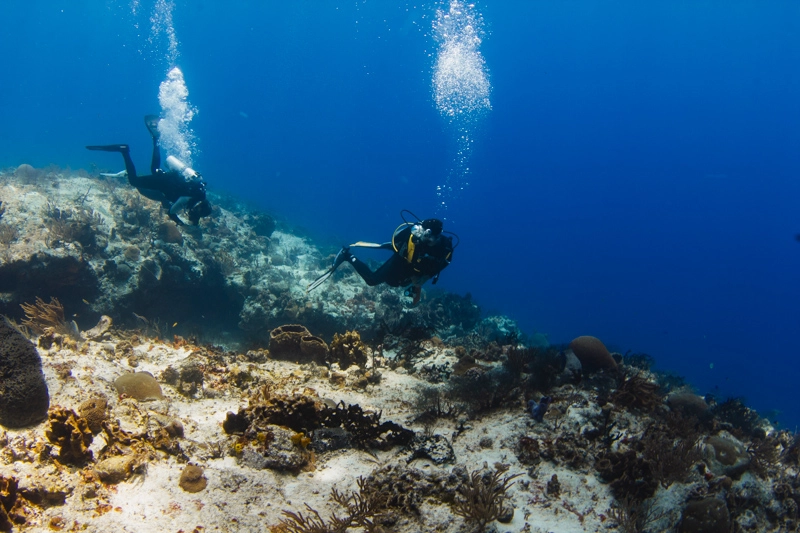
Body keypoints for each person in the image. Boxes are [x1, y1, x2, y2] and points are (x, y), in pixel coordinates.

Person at [86, 115, 212, 226]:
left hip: (169, 177)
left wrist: (195, 222)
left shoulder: (200, 192)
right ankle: (124, 151)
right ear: (198, 209)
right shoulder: (187, 200)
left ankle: (156, 139)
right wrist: (180, 223)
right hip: (163, 183)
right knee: (134, 181)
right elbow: (171, 212)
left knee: (155, 169)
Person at [308, 211, 457, 304]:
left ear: (437, 237)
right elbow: (396, 240)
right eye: (422, 233)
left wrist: (423, 279)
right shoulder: (414, 234)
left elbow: (442, 264)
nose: (423, 238)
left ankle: (408, 285)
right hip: (401, 261)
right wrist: (404, 240)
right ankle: (347, 255)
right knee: (372, 280)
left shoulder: (444, 248)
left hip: (415, 270)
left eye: (428, 238)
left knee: (395, 284)